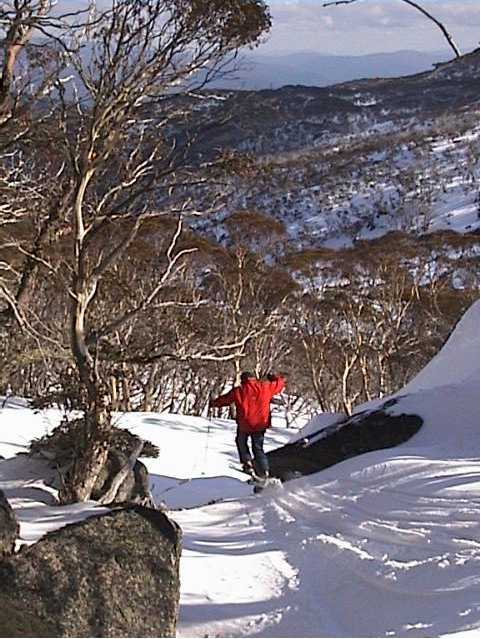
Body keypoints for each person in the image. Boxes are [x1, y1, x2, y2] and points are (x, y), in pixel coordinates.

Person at [210, 371, 285, 481]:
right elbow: (280, 383)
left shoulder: (239, 390)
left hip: (245, 424)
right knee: (258, 447)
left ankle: (247, 464)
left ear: (242, 380)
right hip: (260, 424)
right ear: (254, 378)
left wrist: (213, 403)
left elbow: (225, 400)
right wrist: (273, 377)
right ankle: (265, 471)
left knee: (241, 442)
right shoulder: (265, 387)